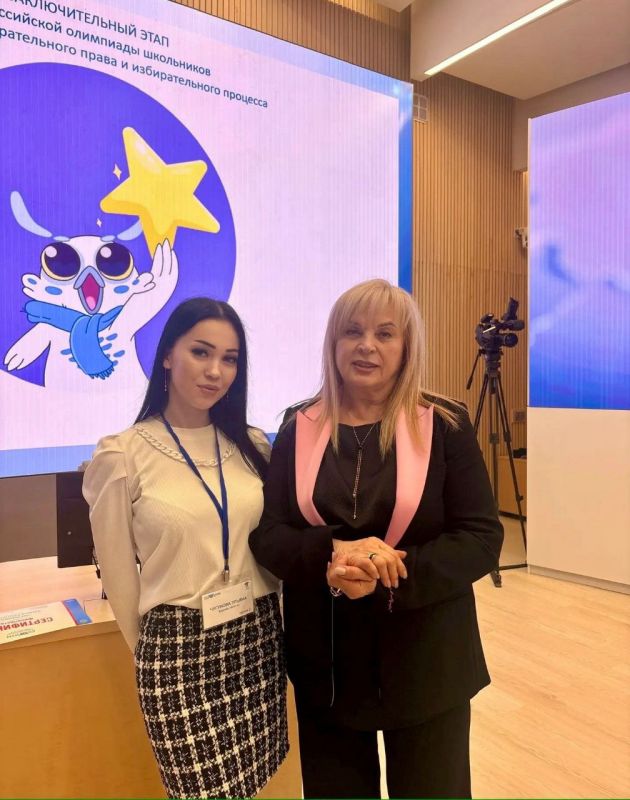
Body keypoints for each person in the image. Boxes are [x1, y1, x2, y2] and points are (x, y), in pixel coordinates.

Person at [249, 279, 503, 799]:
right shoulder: (298, 426)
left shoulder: (446, 424)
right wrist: (331, 555)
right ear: (333, 343)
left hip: (427, 661)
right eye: (353, 332)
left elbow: (481, 537)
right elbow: (270, 535)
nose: (367, 345)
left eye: (385, 334)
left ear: (407, 346)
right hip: (328, 667)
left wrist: (388, 573)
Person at [83, 297, 288, 800]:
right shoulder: (123, 454)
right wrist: (152, 654)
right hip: (177, 650)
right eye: (201, 352)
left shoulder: (253, 446)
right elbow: (118, 575)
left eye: (229, 358)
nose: (215, 371)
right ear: (167, 356)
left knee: (253, 783)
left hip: (257, 639)